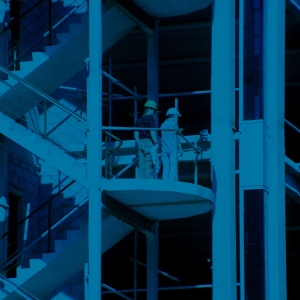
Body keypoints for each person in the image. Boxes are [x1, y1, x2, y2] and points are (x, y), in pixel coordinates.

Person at [134, 100, 158, 179]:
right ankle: (147, 182)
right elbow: (152, 131)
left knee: (141, 163)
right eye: (154, 110)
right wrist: (156, 142)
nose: (154, 112)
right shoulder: (151, 118)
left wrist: (139, 143)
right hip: (148, 142)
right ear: (150, 109)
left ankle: (141, 181)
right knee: (148, 163)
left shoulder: (139, 120)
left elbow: (135, 134)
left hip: (140, 142)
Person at [160, 108, 183, 180]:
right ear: (173, 115)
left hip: (164, 149)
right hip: (173, 149)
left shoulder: (163, 124)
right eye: (177, 116)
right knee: (173, 167)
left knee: (165, 168)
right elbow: (178, 138)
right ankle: (171, 183)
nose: (178, 118)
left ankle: (165, 183)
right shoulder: (174, 124)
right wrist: (180, 149)